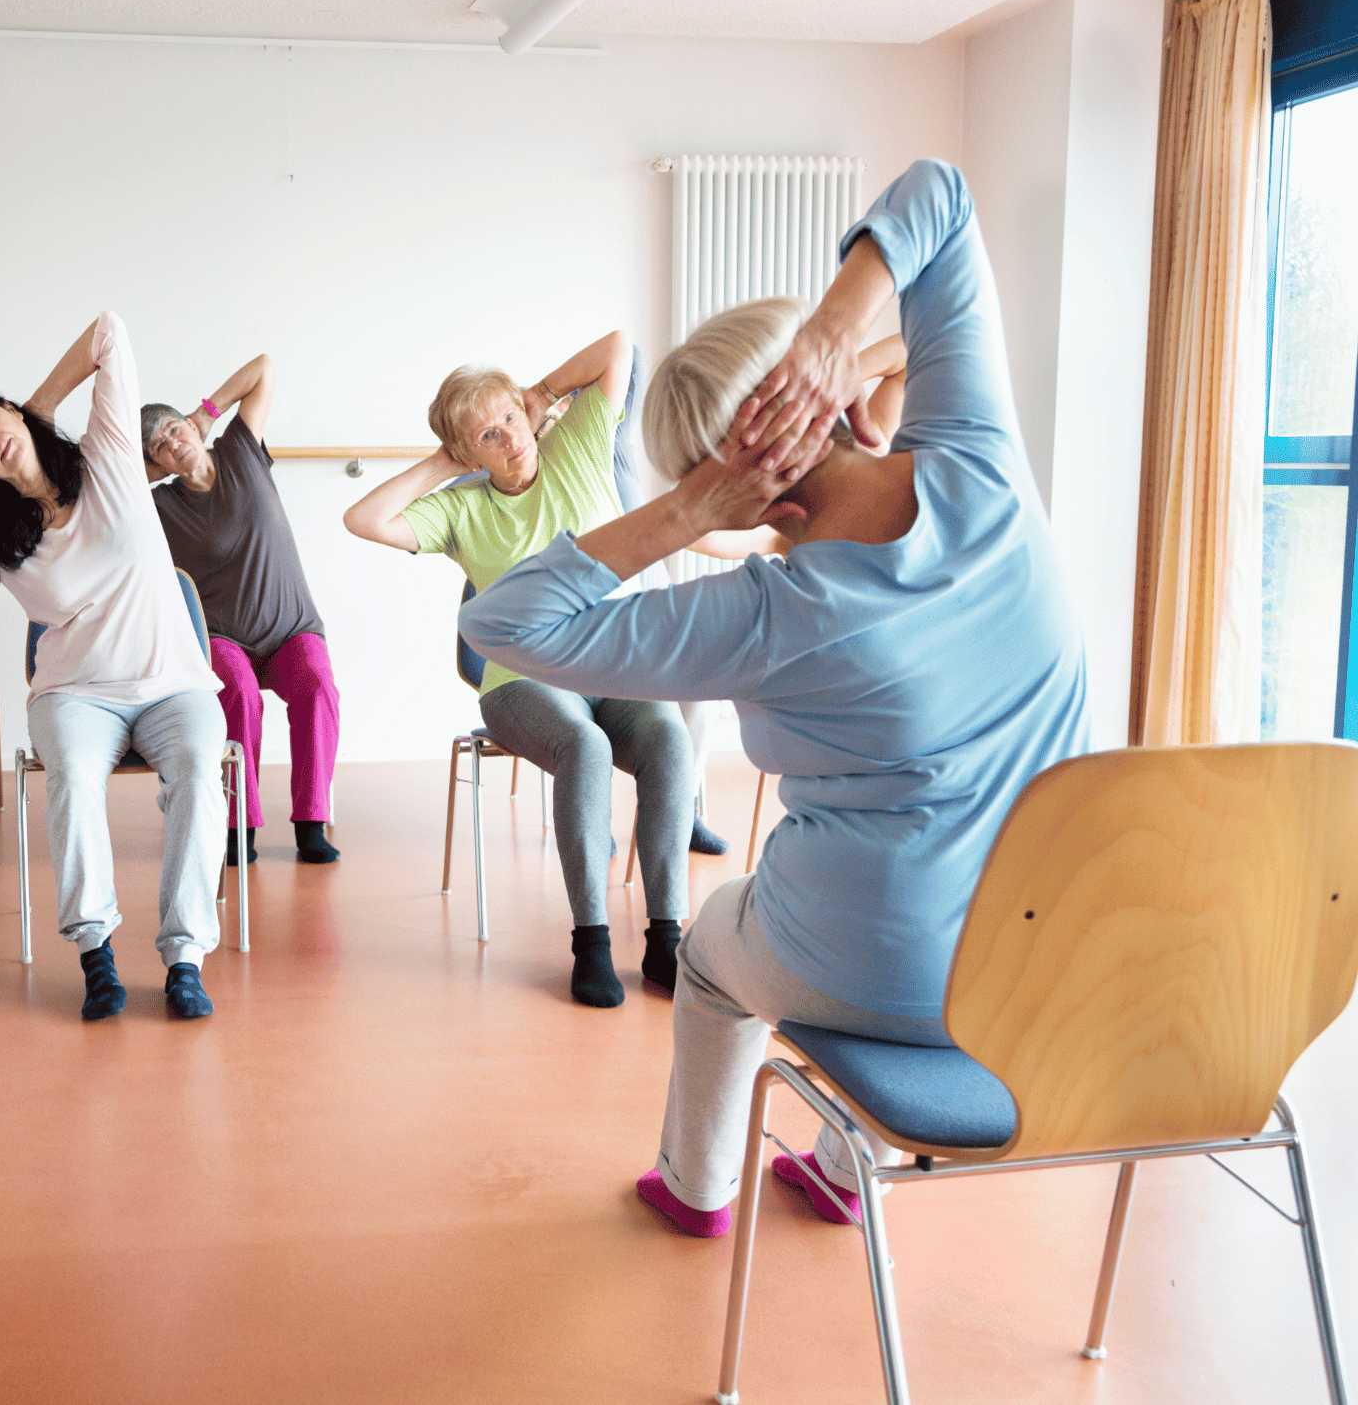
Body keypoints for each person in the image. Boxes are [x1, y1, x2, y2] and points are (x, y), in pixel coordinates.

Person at [457, 159, 1091, 1235]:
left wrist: (684, 511)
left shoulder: (763, 613)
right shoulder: (981, 467)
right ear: (840, 393)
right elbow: (938, 192)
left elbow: (503, 625)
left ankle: (695, 1189)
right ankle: (844, 1169)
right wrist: (835, 325)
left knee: (709, 949)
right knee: (908, 898)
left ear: (733, 489)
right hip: (1045, 952)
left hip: (880, 964)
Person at [0, 312, 226, 1022]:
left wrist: (35, 409)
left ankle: (185, 958)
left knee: (198, 775)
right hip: (75, 695)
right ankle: (97, 954)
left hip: (174, 685)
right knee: (75, 779)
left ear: (6, 407)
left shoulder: (110, 454)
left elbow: (110, 332)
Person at [344, 330, 695, 1009]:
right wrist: (440, 467)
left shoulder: (580, 447)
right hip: (522, 683)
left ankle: (665, 939)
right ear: (465, 453)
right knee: (584, 747)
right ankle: (590, 942)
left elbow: (616, 346)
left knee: (670, 742)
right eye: (485, 437)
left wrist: (538, 394)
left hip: (614, 668)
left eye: (509, 418)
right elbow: (365, 517)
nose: (508, 438)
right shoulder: (461, 507)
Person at [141, 354, 341, 867]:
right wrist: (148, 464)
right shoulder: (160, 506)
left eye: (172, 430)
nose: (172, 442)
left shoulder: (240, 452)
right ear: (154, 464)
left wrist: (204, 415)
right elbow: (106, 485)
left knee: (317, 684)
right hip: (225, 638)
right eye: (158, 446)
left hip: (292, 629)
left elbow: (264, 368)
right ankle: (238, 826)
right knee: (238, 695)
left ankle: (312, 822)